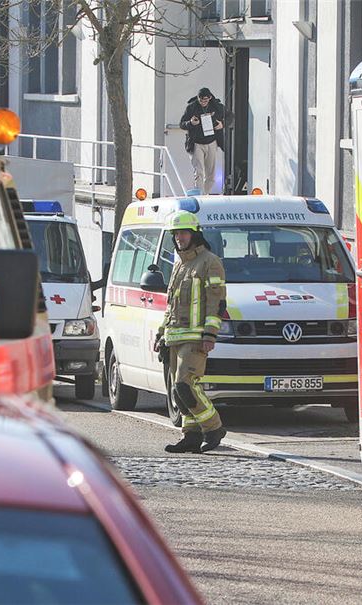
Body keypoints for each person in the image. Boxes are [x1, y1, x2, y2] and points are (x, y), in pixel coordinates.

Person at [154, 210, 227, 453]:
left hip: (196, 337)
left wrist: (210, 334)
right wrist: (161, 334)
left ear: (195, 234)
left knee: (186, 385)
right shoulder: (179, 265)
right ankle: (191, 436)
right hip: (175, 336)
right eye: (176, 234)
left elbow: (217, 301)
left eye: (183, 233)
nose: (179, 238)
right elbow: (171, 305)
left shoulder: (209, 262)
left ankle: (214, 427)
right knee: (178, 391)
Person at [179, 87, 225, 194]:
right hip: (196, 143)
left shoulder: (216, 106)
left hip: (211, 142)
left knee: (211, 175)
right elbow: (182, 124)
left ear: (209, 98)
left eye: (205, 100)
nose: (203, 102)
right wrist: (190, 123)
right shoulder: (191, 107)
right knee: (199, 172)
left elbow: (230, 117)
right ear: (198, 98)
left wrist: (222, 124)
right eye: (201, 100)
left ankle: (204, 194)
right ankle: (200, 196)